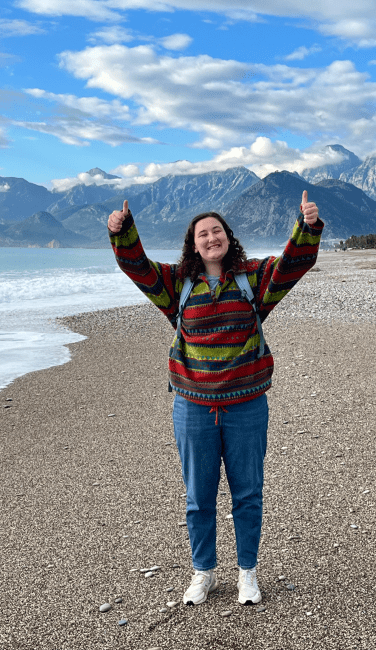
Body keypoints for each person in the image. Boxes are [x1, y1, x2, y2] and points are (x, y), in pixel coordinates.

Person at [108, 193, 323, 606]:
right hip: (192, 407)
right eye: (202, 234)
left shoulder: (253, 279)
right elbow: (138, 268)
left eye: (217, 231)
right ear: (193, 244)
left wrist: (307, 225)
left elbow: (292, 265)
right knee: (198, 497)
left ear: (228, 237)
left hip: (246, 406)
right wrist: (122, 233)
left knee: (248, 493)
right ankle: (203, 572)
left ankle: (247, 573)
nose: (211, 238)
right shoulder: (177, 284)